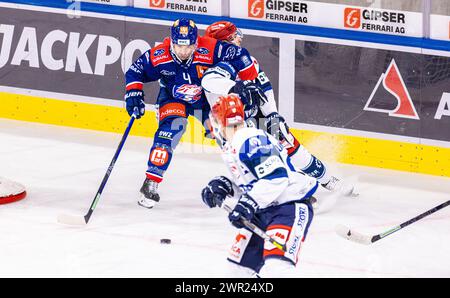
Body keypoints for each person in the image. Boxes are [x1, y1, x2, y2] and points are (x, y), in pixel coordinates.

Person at [202, 21, 357, 197]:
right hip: (232, 127)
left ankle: (327, 180)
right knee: (253, 162)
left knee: (292, 148)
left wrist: (272, 114)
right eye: (232, 37)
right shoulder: (211, 67)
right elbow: (209, 81)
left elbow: (264, 87)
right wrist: (236, 87)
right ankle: (283, 193)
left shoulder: (247, 60)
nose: (238, 39)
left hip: (258, 115)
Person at [124, 18, 260, 209]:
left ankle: (252, 181)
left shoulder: (210, 47)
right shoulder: (159, 55)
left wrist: (247, 81)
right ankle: (151, 182)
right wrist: (133, 93)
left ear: (196, 42)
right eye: (179, 46)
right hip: (173, 99)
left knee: (229, 136)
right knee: (170, 133)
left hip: (204, 101)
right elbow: (135, 71)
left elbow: (239, 54)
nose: (184, 51)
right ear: (172, 42)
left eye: (189, 46)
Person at [201, 94, 317, 277]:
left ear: (217, 123)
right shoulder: (235, 144)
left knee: (277, 268)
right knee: (238, 270)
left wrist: (248, 203)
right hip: (262, 211)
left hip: (288, 209)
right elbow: (255, 182)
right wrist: (227, 187)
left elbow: (276, 178)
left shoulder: (248, 140)